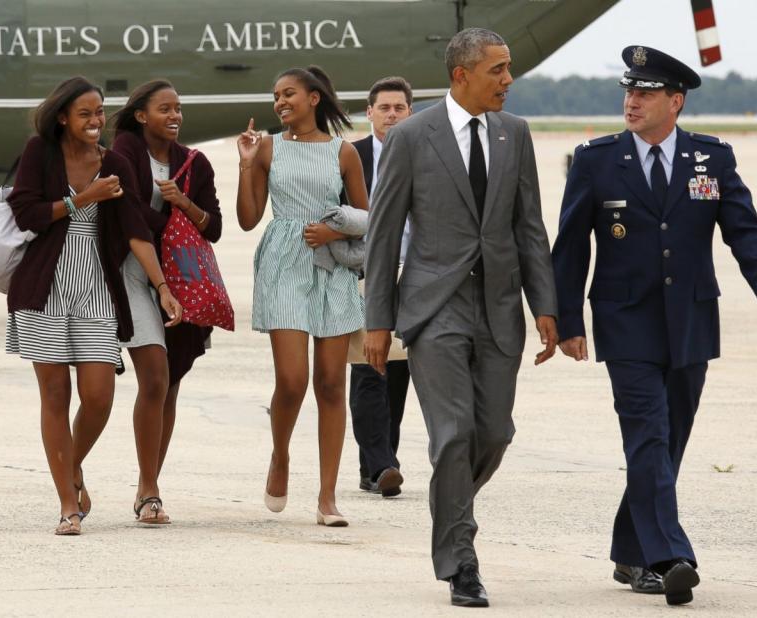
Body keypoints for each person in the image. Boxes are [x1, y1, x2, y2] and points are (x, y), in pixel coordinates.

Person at [551, 46, 757, 606]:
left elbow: (744, 227)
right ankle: (668, 557)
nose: (631, 101)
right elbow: (568, 248)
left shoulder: (712, 159)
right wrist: (566, 320)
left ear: (675, 102)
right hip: (624, 319)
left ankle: (629, 548)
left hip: (691, 321)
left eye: (646, 93)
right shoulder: (596, 159)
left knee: (667, 443)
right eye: (628, 92)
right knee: (648, 434)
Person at [363, 29, 559, 607]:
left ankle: (448, 505)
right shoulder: (410, 136)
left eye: (508, 68)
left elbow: (529, 227)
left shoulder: (515, 134)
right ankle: (459, 559)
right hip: (433, 305)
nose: (507, 80)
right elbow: (381, 234)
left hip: (500, 306)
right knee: (453, 434)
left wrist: (545, 306)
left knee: (494, 433)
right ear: (461, 75)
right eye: (497, 69)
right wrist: (378, 318)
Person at [5, 76, 182, 535]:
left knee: (99, 395)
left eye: (99, 112)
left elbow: (135, 229)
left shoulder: (113, 160)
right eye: (85, 113)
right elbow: (26, 213)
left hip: (97, 289)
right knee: (55, 396)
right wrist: (83, 198)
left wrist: (161, 286)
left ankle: (73, 467)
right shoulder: (39, 153)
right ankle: (68, 502)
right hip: (45, 288)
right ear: (63, 115)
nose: (95, 120)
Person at [236, 66, 369, 527]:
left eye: (288, 94)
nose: (279, 102)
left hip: (331, 266)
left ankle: (328, 497)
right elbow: (249, 219)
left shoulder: (344, 152)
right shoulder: (268, 146)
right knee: (292, 381)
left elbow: (367, 219)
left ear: (314, 98)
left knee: (331, 384)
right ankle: (280, 457)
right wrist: (247, 163)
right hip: (283, 264)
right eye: (276, 97)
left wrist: (333, 227)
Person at [111, 80, 223, 525]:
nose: (175, 116)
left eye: (179, 109)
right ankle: (149, 486)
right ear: (141, 115)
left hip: (183, 277)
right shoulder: (123, 151)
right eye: (165, 109)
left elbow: (212, 228)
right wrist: (174, 216)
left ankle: (147, 486)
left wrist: (186, 207)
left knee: (171, 382)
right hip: (134, 275)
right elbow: (132, 214)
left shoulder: (195, 163)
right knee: (154, 378)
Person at [348, 76, 414, 498]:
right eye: (384, 108)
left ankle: (378, 462)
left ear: (410, 112)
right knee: (367, 368)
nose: (391, 114)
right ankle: (380, 465)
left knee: (398, 372)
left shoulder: (426, 152)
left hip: (414, 275)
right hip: (362, 275)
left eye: (399, 108)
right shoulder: (350, 156)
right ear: (369, 113)